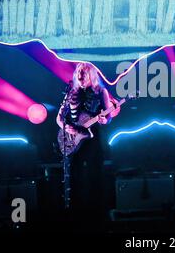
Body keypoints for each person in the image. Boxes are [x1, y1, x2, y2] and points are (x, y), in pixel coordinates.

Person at [56, 62, 113, 227]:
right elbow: (59, 118)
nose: (80, 78)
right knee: (75, 177)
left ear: (91, 76)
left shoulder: (101, 91)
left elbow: (108, 117)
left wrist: (104, 119)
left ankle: (97, 216)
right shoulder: (72, 93)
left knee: (95, 176)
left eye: (83, 75)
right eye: (78, 75)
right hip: (74, 141)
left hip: (92, 139)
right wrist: (68, 128)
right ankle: (75, 215)